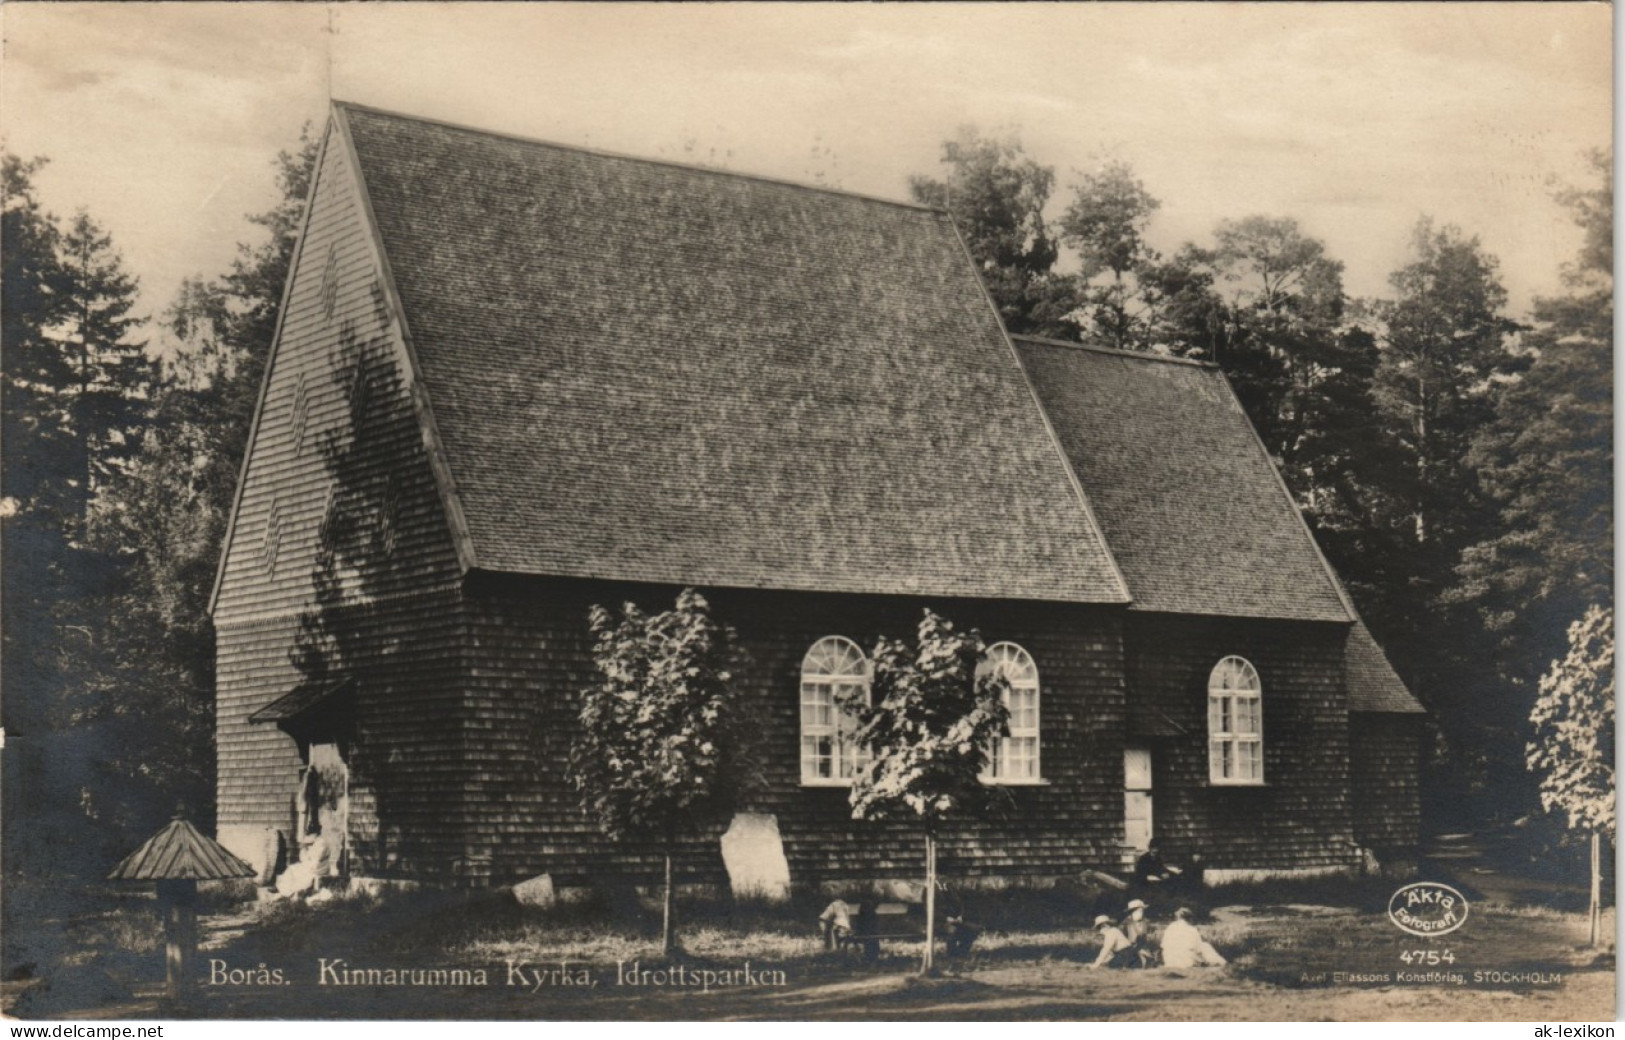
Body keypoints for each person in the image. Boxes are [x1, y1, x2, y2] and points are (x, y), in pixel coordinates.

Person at [1159, 907, 1227, 969]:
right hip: (1185, 962)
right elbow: (1198, 948)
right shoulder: (1191, 929)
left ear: (1178, 918)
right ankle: (1220, 963)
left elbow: (1163, 945)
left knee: (1195, 949)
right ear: (1190, 919)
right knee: (1205, 946)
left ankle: (1216, 963)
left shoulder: (1170, 927)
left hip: (1169, 961)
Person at [1120, 898, 1155, 967]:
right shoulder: (1125, 923)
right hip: (1129, 950)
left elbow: (1147, 937)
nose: (1142, 912)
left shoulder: (1145, 922)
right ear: (1133, 911)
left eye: (1142, 910)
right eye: (1140, 910)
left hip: (1142, 948)